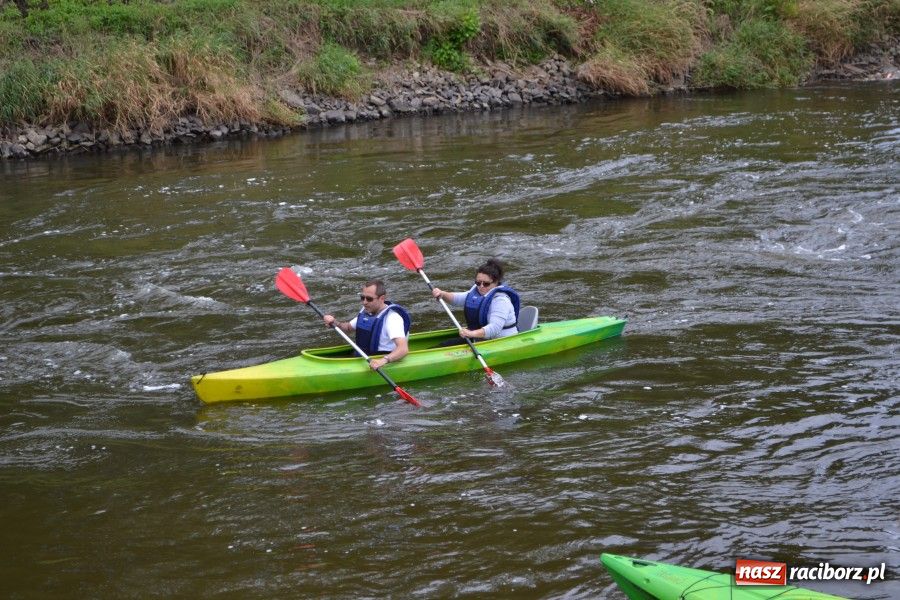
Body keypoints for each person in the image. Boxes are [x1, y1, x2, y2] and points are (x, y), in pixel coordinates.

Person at [323, 279, 410, 370]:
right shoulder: (367, 312)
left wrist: (382, 361)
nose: (364, 302)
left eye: (369, 299)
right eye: (362, 298)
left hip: (380, 359)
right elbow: (348, 327)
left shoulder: (392, 318)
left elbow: (403, 349)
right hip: (362, 356)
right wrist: (334, 322)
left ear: (382, 298)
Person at [431, 258, 520, 345]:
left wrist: (471, 334)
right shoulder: (477, 292)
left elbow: (494, 328)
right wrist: (442, 294)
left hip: (502, 342)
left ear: (496, 282)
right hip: (482, 339)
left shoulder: (501, 300)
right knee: (445, 344)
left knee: (446, 344)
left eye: (486, 284)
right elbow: (457, 299)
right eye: (478, 283)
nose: (481, 286)